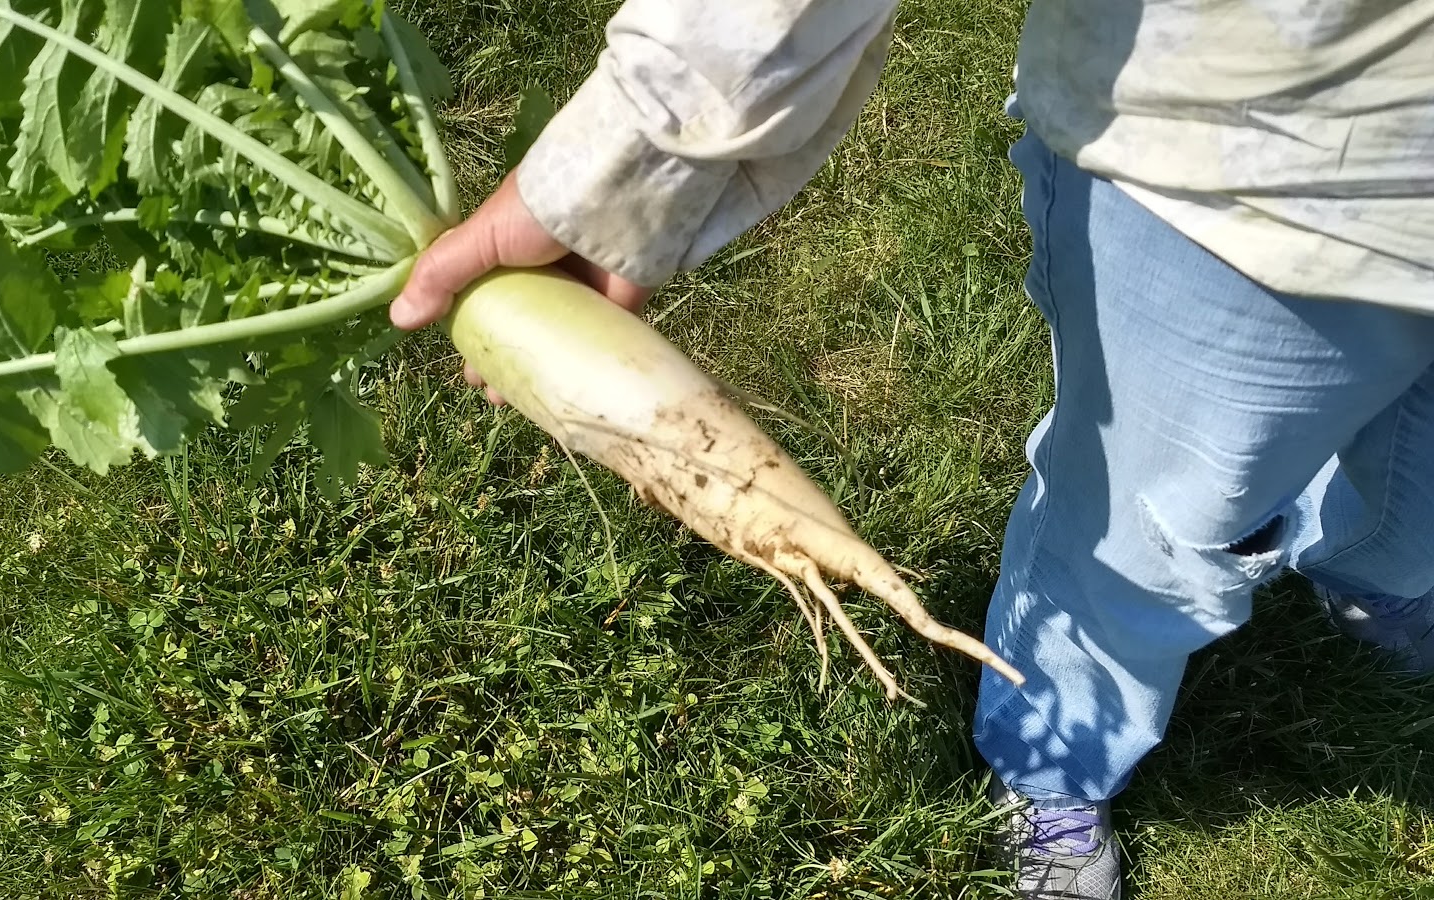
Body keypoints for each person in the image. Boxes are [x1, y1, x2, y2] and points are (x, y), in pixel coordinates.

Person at [388, 2, 1434, 897]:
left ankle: (1377, 567)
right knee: (1149, 523)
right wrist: (625, 161)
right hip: (1263, 170)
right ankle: (1051, 758)